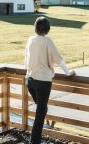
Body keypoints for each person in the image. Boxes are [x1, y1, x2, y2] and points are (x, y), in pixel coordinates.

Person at [24, 16, 75, 144]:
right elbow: (59, 59)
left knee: (42, 109)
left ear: (35, 27)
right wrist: (68, 73)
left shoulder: (30, 40)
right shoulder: (48, 42)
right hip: (43, 83)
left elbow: (26, 61)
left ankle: (35, 140)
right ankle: (34, 141)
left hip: (30, 81)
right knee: (41, 112)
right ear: (48, 29)